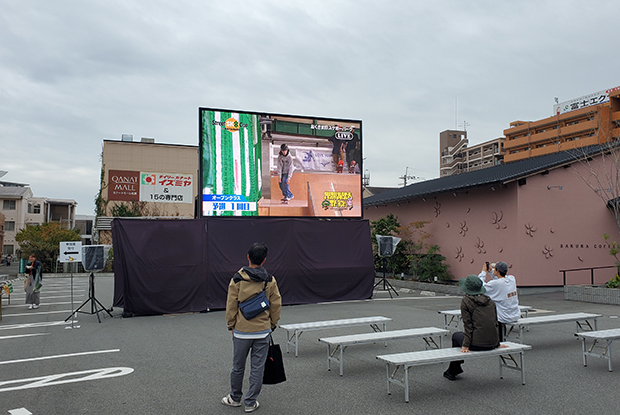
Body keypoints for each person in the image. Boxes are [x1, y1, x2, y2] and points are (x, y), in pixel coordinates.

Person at [222, 242, 282, 413]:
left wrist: (231, 325)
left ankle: (235, 398)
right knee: (257, 368)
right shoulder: (269, 280)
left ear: (248, 257)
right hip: (262, 331)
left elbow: (231, 305)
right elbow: (276, 305)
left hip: (241, 331)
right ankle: (250, 402)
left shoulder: (237, 279)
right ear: (264, 260)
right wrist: (272, 324)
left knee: (238, 367)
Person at [443, 274, 500, 381]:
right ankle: (453, 369)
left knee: (456, 336)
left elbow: (468, 325)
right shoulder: (490, 301)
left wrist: (465, 345)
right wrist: (497, 342)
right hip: (492, 343)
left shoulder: (466, 301)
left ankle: (453, 370)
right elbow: (495, 323)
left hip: (477, 344)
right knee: (464, 335)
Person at [478, 261, 520, 341]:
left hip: (503, 317)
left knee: (485, 309)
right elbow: (501, 280)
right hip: (515, 314)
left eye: (495, 269)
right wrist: (491, 272)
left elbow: (480, 286)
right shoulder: (512, 279)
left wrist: (483, 272)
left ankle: (496, 340)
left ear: (497, 271)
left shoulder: (495, 284)